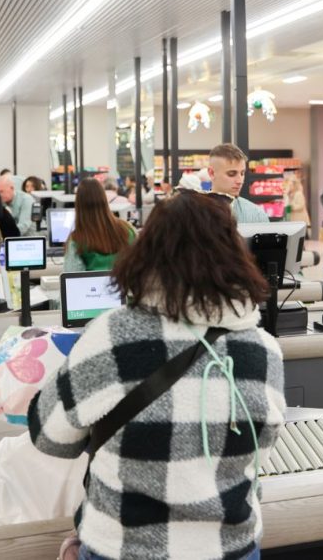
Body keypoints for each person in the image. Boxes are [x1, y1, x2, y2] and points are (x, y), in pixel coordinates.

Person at [28, 191, 285, 560]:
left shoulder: (111, 336)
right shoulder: (263, 349)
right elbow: (261, 452)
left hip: (123, 547)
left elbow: (48, 436)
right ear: (236, 254)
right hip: (230, 548)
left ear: (147, 251)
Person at [64, 178, 136, 272]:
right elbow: (139, 265)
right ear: (104, 199)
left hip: (92, 286)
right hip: (124, 285)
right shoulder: (128, 230)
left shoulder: (77, 239)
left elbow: (71, 276)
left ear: (78, 205)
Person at [207, 143, 270, 223]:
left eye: (242, 173)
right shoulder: (194, 214)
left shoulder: (257, 215)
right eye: (231, 174)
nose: (240, 181)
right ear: (212, 173)